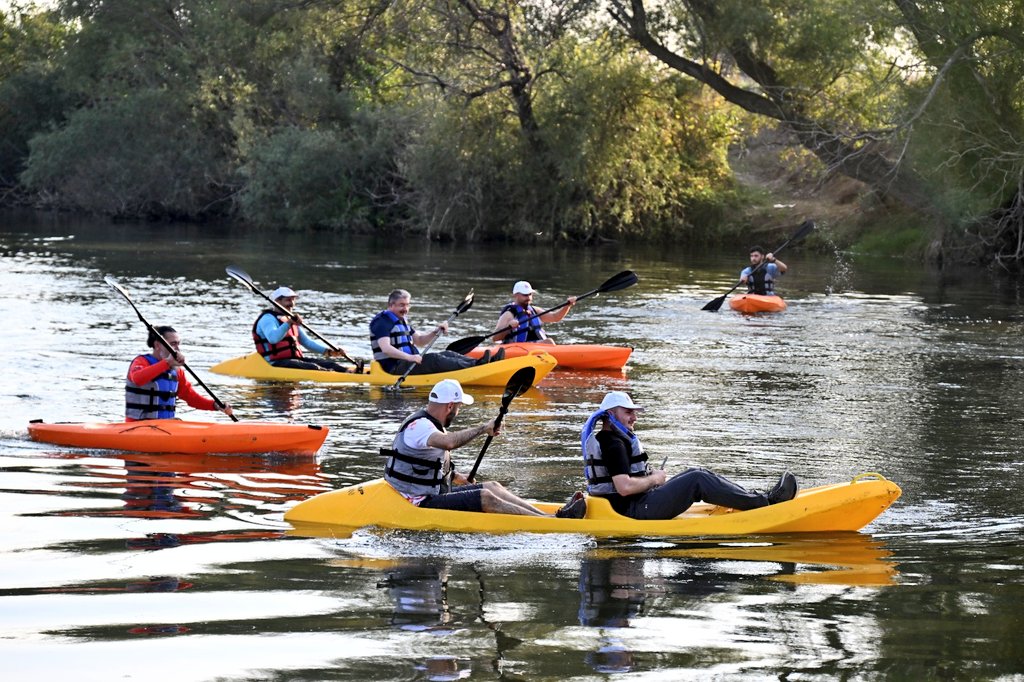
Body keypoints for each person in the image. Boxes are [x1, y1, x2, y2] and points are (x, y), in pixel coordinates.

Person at [382, 379, 586, 518]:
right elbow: (448, 442)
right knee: (485, 497)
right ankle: (552, 523)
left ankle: (550, 516)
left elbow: (424, 462)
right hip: (418, 501)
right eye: (460, 407)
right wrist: (483, 428)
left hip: (431, 491)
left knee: (493, 487)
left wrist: (454, 476)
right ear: (450, 406)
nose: (458, 412)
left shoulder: (430, 422)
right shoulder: (420, 426)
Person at [580, 391, 796, 520]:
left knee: (696, 472)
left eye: (633, 412)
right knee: (697, 480)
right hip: (634, 511)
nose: (634, 417)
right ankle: (766, 503)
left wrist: (651, 479)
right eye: (628, 412)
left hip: (634, 505)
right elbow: (624, 488)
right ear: (610, 415)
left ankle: (757, 498)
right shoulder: (613, 444)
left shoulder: (611, 440)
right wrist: (654, 479)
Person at [370, 289, 504, 375]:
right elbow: (386, 349)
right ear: (391, 305)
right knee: (434, 359)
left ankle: (484, 362)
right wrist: (411, 357)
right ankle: (477, 366)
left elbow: (420, 341)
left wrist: (435, 331)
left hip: (409, 363)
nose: (405, 309)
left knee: (448, 353)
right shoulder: (381, 322)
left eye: (407, 305)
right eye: (401, 305)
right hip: (394, 368)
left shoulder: (401, 320)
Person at [125, 326, 234, 421]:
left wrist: (215, 405)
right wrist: (167, 362)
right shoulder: (141, 362)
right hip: (137, 426)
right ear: (158, 345)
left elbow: (191, 398)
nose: (177, 348)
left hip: (165, 426)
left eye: (178, 344)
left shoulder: (176, 370)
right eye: (173, 344)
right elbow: (138, 379)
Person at [252, 286, 356, 372]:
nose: (292, 303)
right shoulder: (268, 319)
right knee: (314, 368)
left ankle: (350, 373)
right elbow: (273, 339)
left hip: (294, 360)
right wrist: (289, 323)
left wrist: (329, 352)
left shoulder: (289, 318)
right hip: (274, 363)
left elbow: (307, 342)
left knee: (331, 364)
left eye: (293, 300)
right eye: (288, 300)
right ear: (277, 301)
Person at [494, 280, 577, 344]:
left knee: (548, 342)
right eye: (525, 295)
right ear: (515, 295)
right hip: (516, 347)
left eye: (530, 294)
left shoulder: (534, 310)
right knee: (548, 342)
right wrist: (508, 327)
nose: (529, 298)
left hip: (534, 346)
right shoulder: (509, 314)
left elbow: (555, 317)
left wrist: (567, 306)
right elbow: (495, 338)